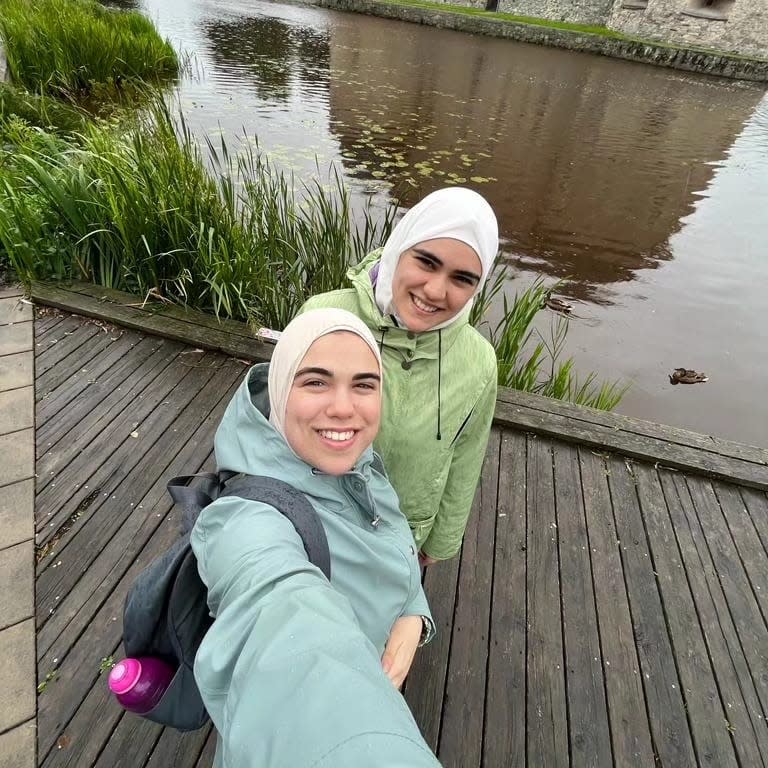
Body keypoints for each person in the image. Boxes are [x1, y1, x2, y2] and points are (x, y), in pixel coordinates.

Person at [190, 308, 441, 768]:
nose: (344, 407)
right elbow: (281, 620)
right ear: (282, 391)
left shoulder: (354, 467)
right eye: (315, 382)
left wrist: (413, 613)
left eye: (364, 384)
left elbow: (392, 544)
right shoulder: (249, 521)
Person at [300, 187, 498, 564]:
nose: (436, 290)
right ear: (398, 249)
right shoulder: (322, 317)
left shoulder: (478, 361)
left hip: (400, 538)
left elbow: (465, 457)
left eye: (462, 279)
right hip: (313, 525)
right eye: (426, 262)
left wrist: (440, 542)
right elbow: (271, 425)